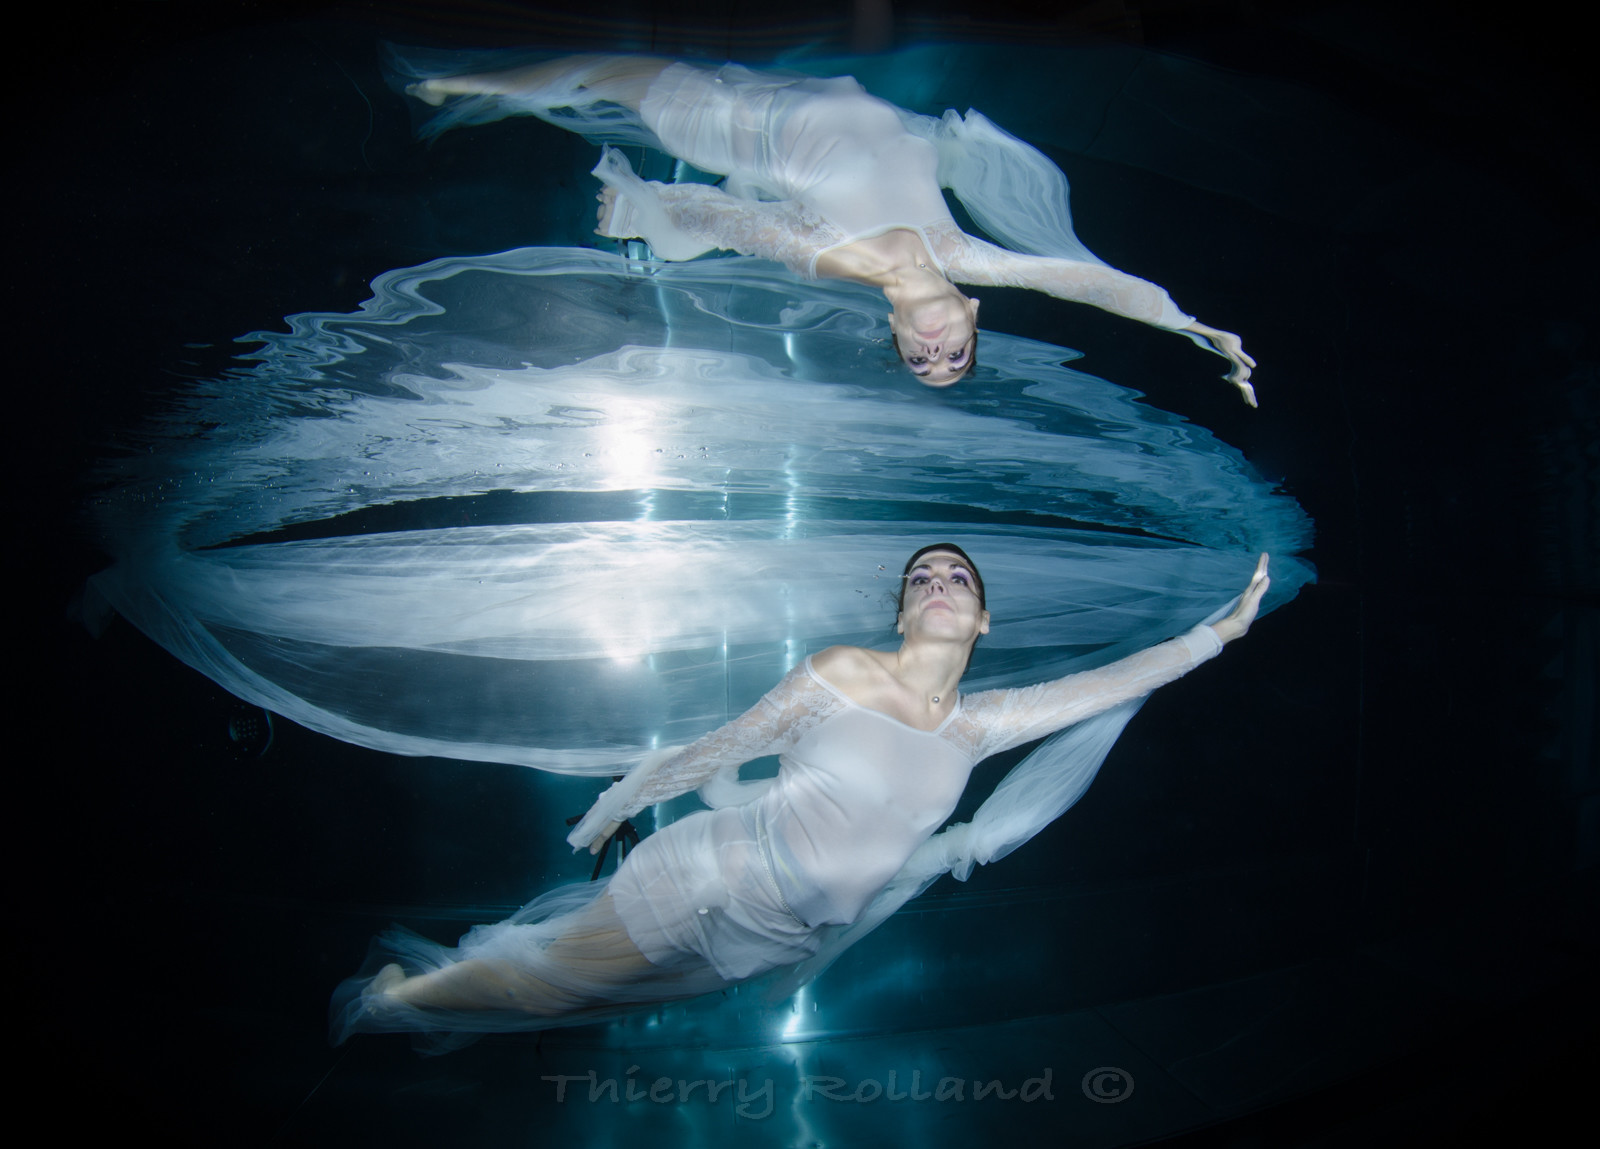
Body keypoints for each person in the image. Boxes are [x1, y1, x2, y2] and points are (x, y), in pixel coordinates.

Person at [333, 545, 1271, 1041]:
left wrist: (1217, 637)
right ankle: (393, 1002)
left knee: (572, 999)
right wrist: (622, 798)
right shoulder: (842, 673)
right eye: (921, 578)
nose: (937, 584)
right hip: (711, 879)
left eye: (958, 578)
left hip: (774, 933)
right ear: (903, 611)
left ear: (982, 619)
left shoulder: (982, 723)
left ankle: (418, 995)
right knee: (548, 987)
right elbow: (723, 746)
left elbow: (1101, 687)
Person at [401, 55, 1258, 401]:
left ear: (894, 328)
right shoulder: (969, 258)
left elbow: (727, 218)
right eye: (950, 354)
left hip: (741, 125)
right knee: (604, 78)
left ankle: (473, 80)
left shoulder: (828, 257)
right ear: (968, 317)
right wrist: (1192, 326)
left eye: (918, 359)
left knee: (601, 78)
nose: (931, 350)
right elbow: (1095, 284)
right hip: (845, 99)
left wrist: (653, 213)